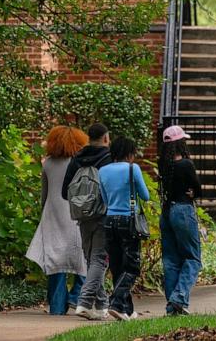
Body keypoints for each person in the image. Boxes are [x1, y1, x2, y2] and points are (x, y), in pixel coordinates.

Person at [26, 126, 90, 315]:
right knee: (83, 260)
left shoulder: (48, 164)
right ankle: (76, 296)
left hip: (53, 215)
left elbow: (44, 195)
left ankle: (57, 307)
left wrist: (43, 213)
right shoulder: (81, 163)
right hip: (77, 215)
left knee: (55, 263)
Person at [61, 122, 113, 320]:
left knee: (92, 260)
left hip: (82, 216)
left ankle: (101, 305)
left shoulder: (77, 159)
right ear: (106, 138)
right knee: (99, 259)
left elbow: (65, 191)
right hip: (102, 214)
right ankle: (83, 302)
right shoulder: (108, 159)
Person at [98, 136, 150, 321]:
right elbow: (145, 195)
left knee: (117, 265)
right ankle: (116, 303)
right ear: (130, 153)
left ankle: (127, 310)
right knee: (132, 266)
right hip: (128, 221)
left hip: (109, 220)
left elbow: (104, 199)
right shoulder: (132, 168)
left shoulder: (102, 171)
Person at [158, 125, 203, 316]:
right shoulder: (186, 164)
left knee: (171, 260)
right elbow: (197, 190)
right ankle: (179, 298)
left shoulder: (164, 164)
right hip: (183, 210)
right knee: (193, 258)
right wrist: (193, 192)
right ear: (180, 143)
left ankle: (172, 307)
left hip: (167, 212)